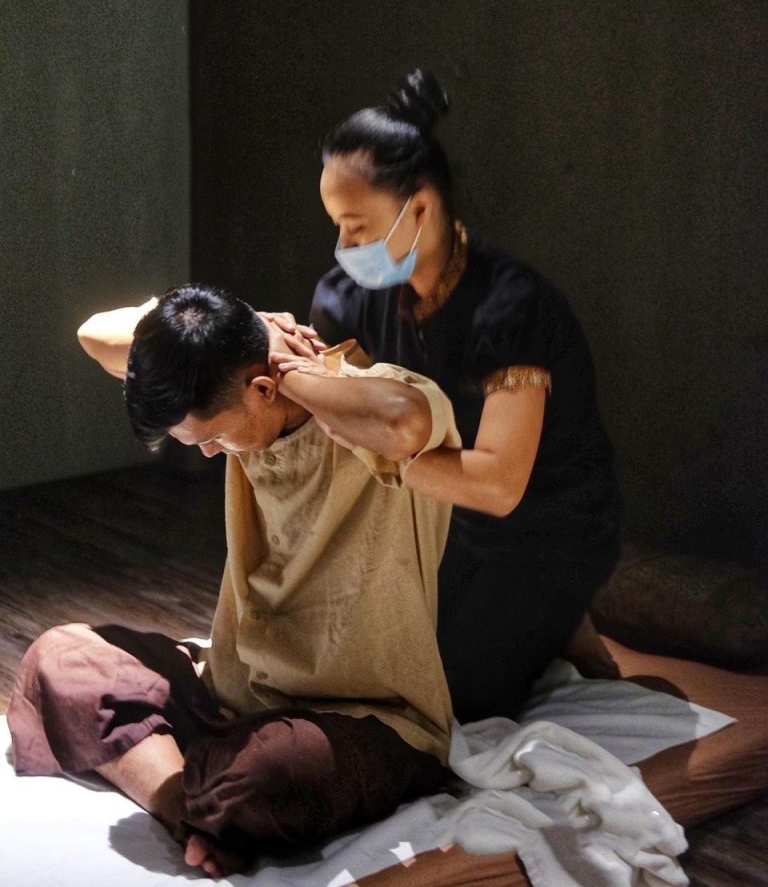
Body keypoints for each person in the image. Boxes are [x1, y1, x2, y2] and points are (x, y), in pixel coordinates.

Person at [7, 283, 460, 878]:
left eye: (212, 437)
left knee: (270, 774)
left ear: (264, 390)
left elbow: (406, 419)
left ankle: (203, 788)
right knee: (60, 657)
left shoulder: (366, 406)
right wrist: (257, 331)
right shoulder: (238, 380)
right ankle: (191, 810)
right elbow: (94, 335)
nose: (210, 453)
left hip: (365, 720)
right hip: (231, 692)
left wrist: (290, 375)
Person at [305, 69, 623, 724]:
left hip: (545, 531)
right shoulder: (350, 301)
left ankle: (561, 614)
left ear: (420, 208)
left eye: (357, 226)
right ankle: (541, 628)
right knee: (345, 650)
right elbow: (354, 411)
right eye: (337, 226)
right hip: (447, 522)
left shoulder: (511, 310)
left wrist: (376, 452)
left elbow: (500, 485)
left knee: (438, 697)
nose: (345, 247)